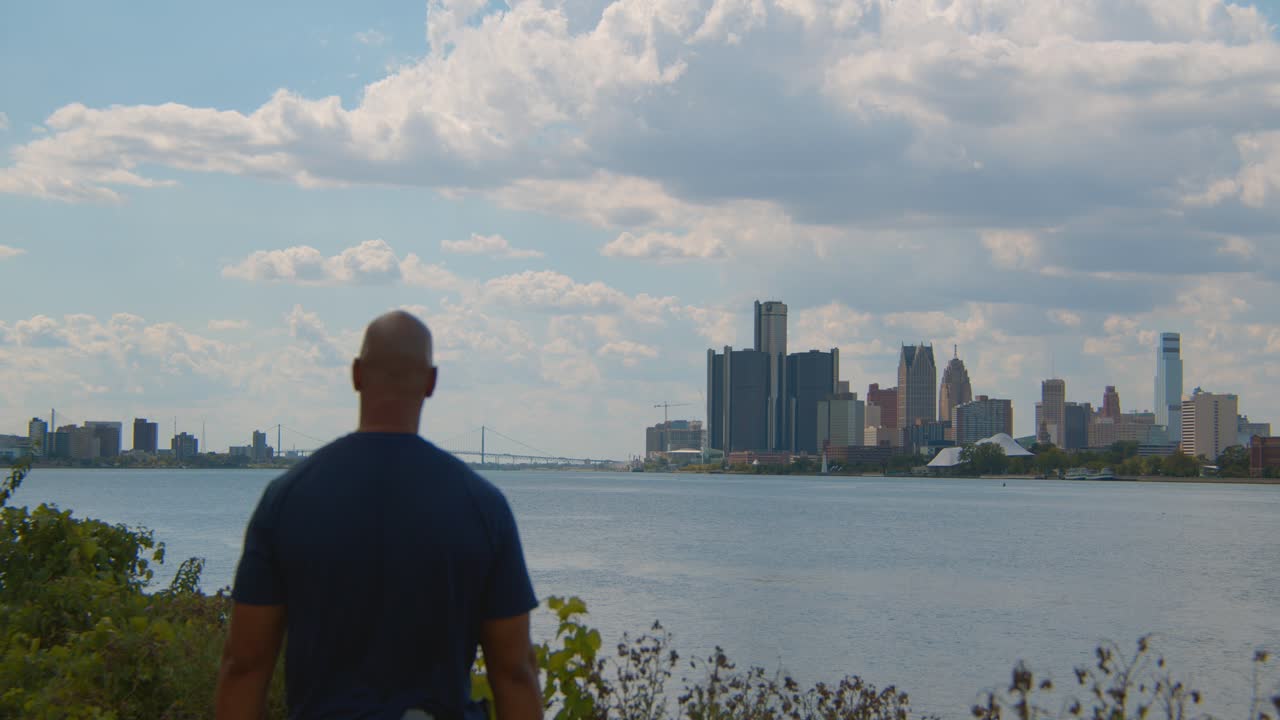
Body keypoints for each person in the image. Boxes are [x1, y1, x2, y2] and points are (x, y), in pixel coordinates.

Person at [215, 311, 543, 720]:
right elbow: (514, 673)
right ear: (431, 382)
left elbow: (244, 667)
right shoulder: (483, 505)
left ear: (356, 374)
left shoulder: (286, 499)